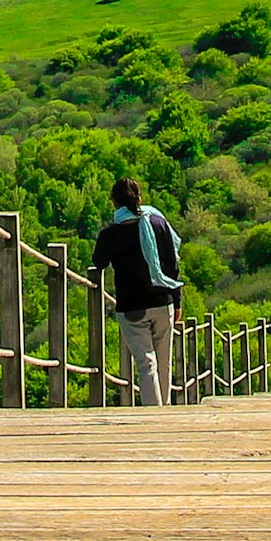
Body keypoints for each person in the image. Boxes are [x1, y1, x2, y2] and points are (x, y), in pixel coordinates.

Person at [95, 174, 183, 408]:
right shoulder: (158, 223)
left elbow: (99, 262)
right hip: (163, 301)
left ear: (114, 202)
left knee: (146, 364)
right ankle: (164, 410)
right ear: (140, 198)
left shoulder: (110, 233)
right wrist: (177, 301)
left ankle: (153, 414)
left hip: (132, 306)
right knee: (164, 361)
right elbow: (172, 264)